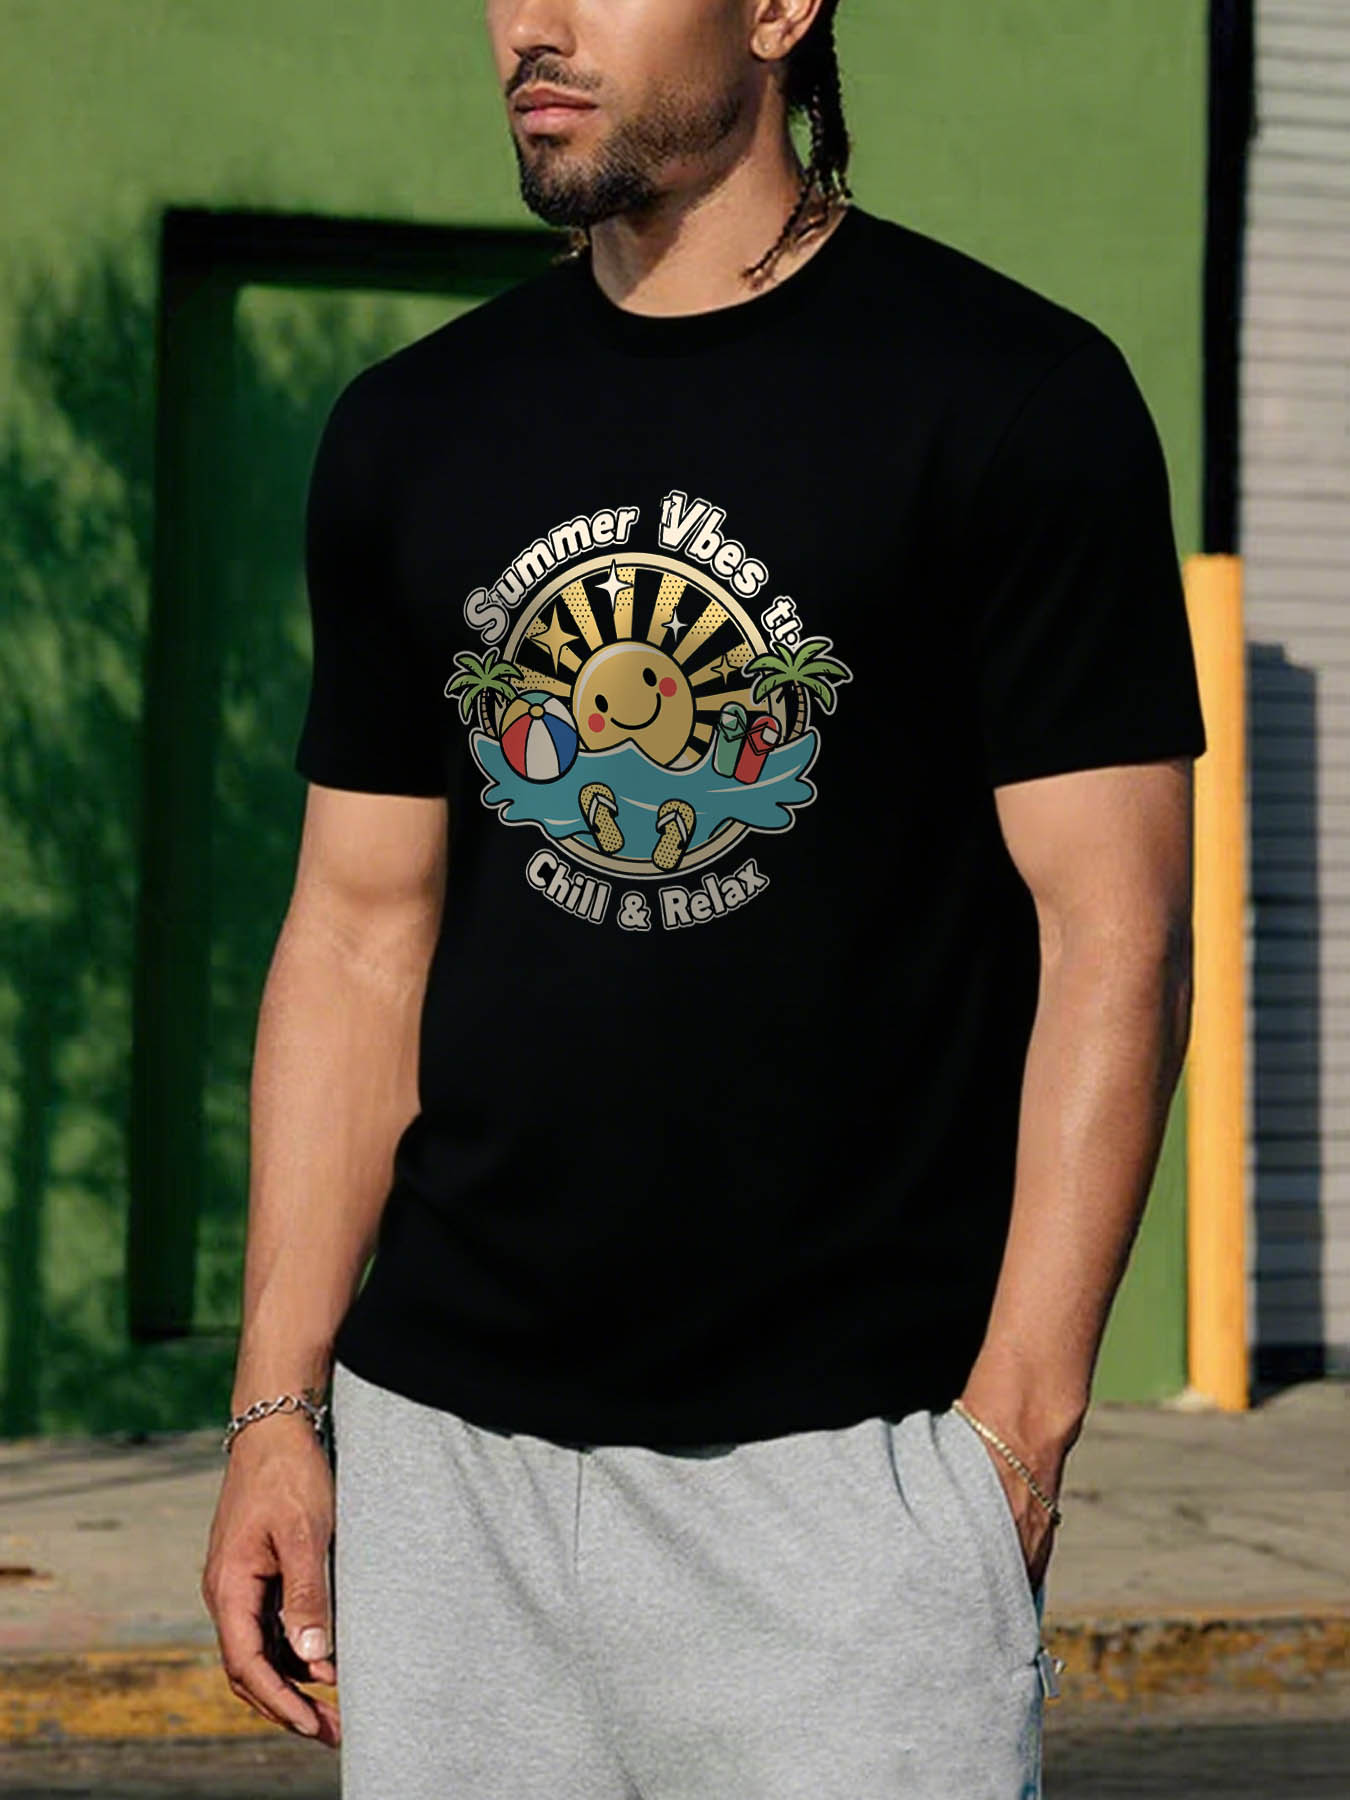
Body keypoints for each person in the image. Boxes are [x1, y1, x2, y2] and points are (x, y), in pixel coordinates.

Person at [200, 2, 1207, 1794]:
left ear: (777, 8)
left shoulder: (1009, 394)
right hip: (444, 1476)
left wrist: (1012, 1443)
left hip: (849, 1493)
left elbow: (1113, 940)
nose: (530, 25)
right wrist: (278, 1408)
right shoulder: (411, 426)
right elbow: (355, 937)